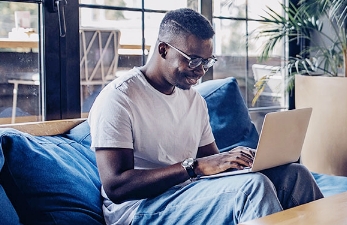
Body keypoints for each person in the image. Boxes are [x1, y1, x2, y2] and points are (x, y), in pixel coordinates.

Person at [88, 8, 323, 225]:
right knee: (251, 188)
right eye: (193, 60)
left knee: (295, 175)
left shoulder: (193, 99)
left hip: (189, 191)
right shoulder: (119, 98)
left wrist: (241, 161)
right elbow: (117, 187)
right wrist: (194, 167)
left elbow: (211, 161)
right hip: (137, 209)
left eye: (207, 61)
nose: (201, 71)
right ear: (163, 49)